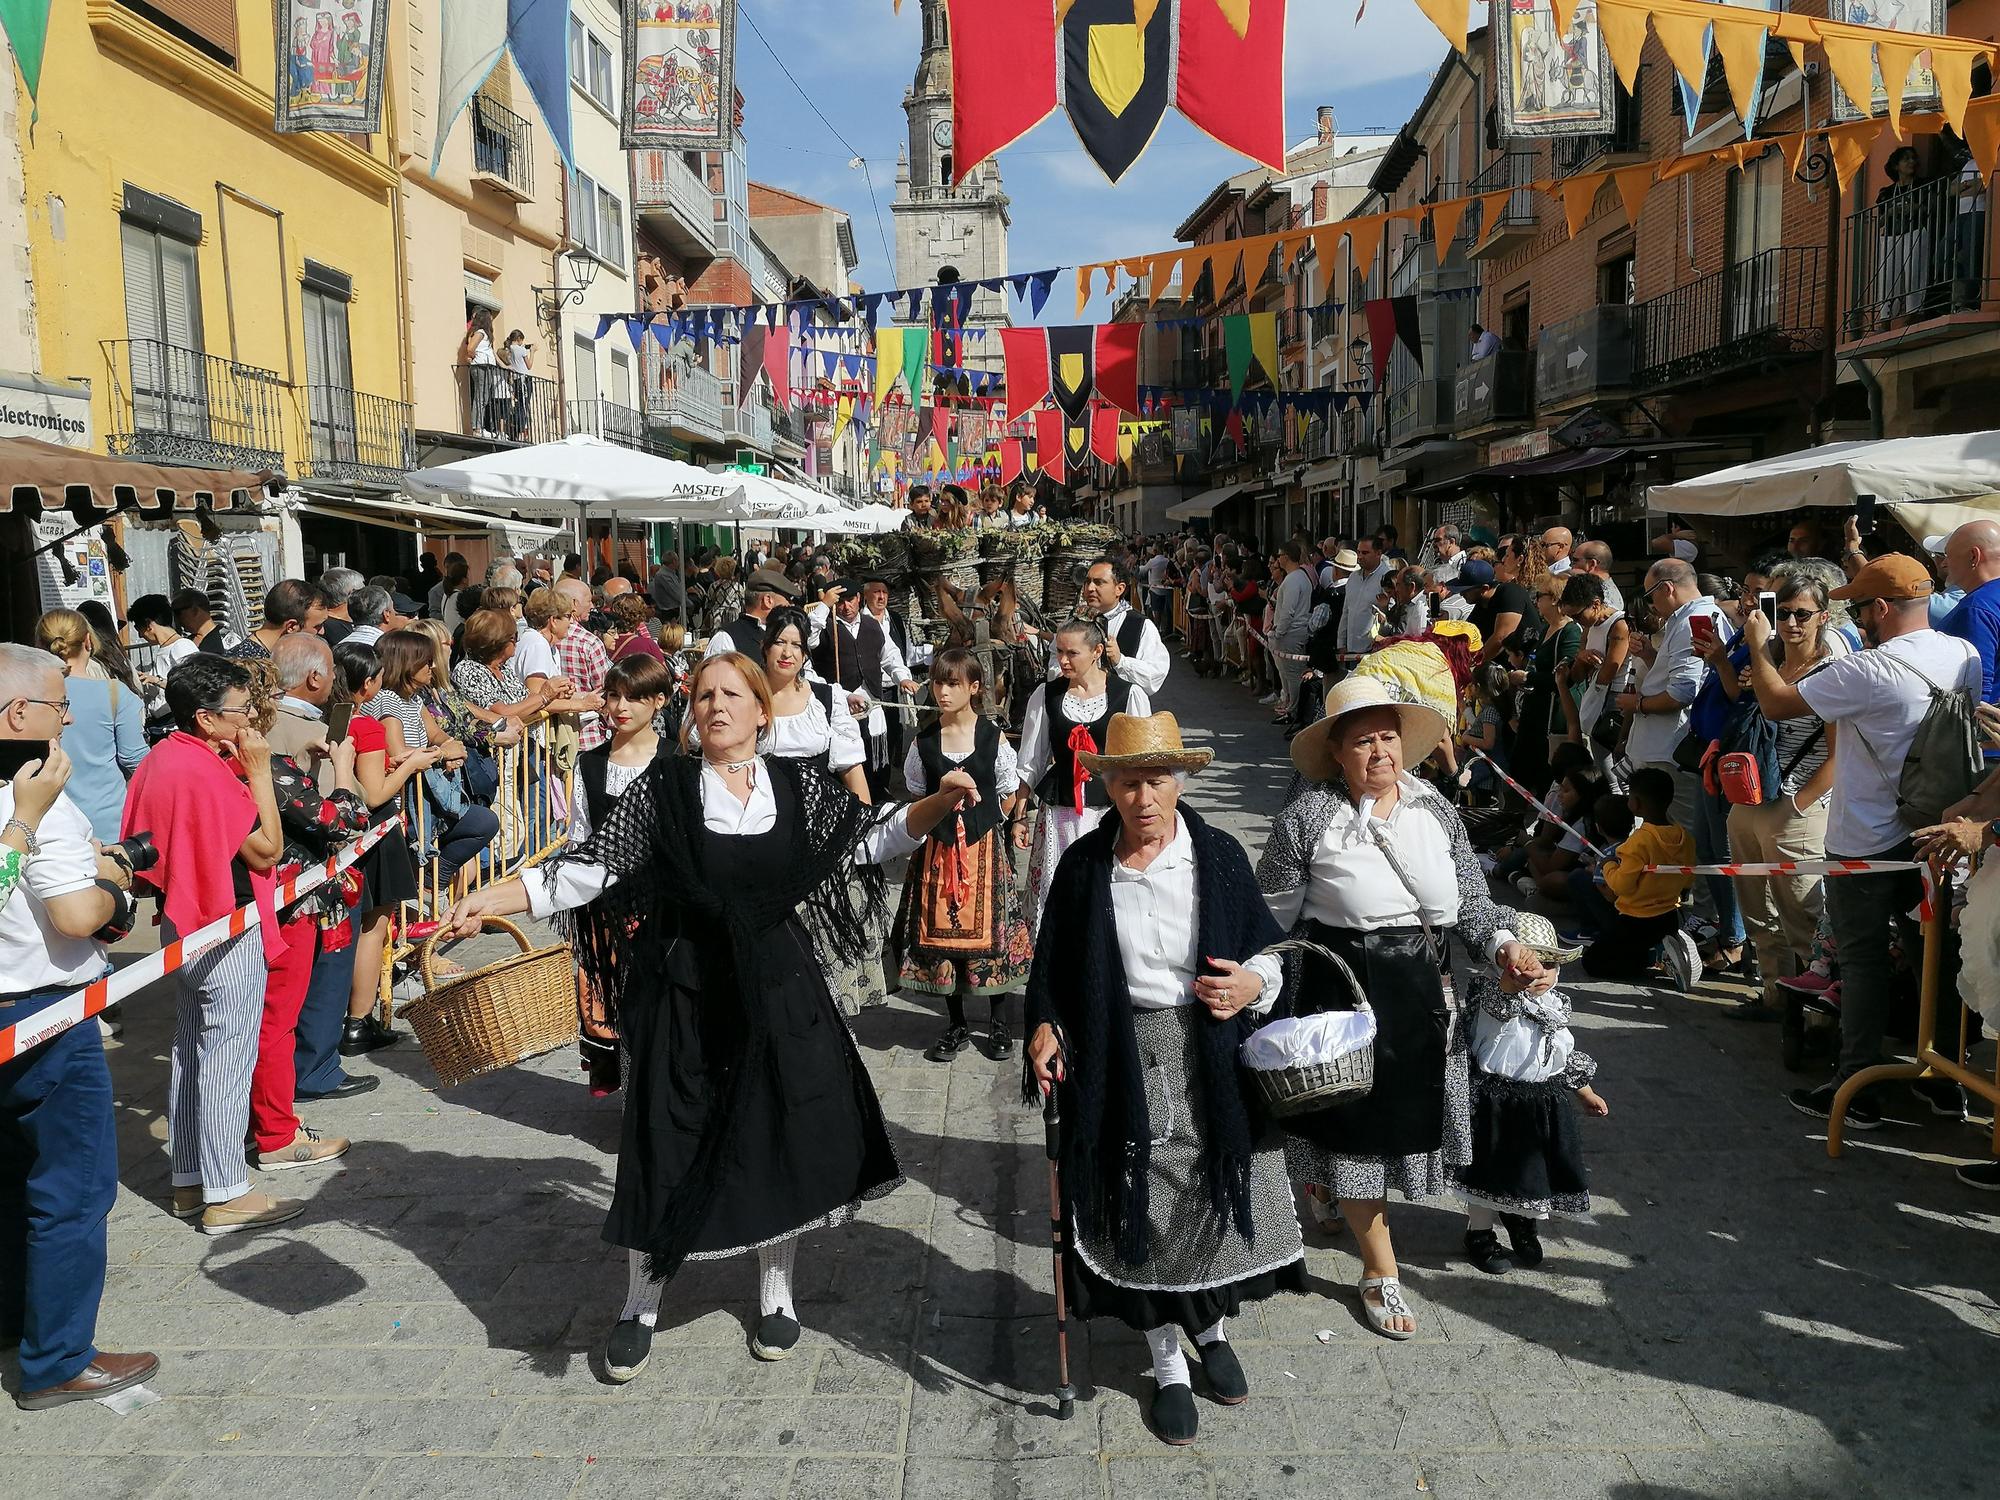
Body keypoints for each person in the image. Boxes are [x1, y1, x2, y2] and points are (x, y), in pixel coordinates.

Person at [440, 652, 980, 1378]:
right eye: (702, 696)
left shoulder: (795, 784)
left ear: (762, 710)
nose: (715, 706)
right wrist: (489, 898)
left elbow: (872, 837)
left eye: (731, 695)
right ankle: (641, 1300)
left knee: (774, 1133)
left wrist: (940, 802)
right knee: (665, 1138)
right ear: (689, 714)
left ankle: (776, 1292)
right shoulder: (664, 789)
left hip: (776, 986)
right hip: (683, 988)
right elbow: (586, 870)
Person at [1024, 712, 1300, 1446]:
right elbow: (1051, 967)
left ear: (1181, 780)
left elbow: (1273, 951)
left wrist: (1251, 984)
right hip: (1121, 1052)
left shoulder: (1217, 856)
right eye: (1127, 781)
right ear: (1106, 784)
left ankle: (1208, 1326)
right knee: (1141, 1200)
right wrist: (1048, 1022)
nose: (1143, 797)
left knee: (1203, 1198)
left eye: (1157, 779)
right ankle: (1167, 1361)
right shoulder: (1085, 867)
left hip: (1207, 1056)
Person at [1256, 676, 1548, 1339]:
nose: (1380, 752)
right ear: (1335, 752)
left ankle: (1330, 1190)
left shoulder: (1435, 808)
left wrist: (1504, 946)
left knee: (1396, 1123)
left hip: (1424, 992)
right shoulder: (1306, 819)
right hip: (1343, 988)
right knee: (1356, 1129)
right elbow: (1267, 917)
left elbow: (1472, 903)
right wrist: (1259, 985)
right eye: (1363, 741)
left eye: (1389, 736)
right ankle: (1379, 1272)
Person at [1742, 553, 1981, 1128]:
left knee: (1863, 962)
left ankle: (1856, 1087)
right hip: (1935, 830)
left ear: (1880, 608)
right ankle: (1945, 1079)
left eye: (1858, 606)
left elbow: (1775, 703)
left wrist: (1756, 640)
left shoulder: (1871, 669)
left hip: (1867, 837)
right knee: (1937, 958)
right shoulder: (1963, 654)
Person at [0, 650, 156, 1410]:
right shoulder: (37, 803)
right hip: (43, 1013)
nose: (71, 716)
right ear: (17, 716)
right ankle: (57, 1359)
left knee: (9, 1179)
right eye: (61, 703)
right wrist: (116, 879)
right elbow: (73, 916)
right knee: (72, 1188)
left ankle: (15, 1324)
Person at [121, 655, 302, 1235]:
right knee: (225, 1053)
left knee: (191, 1049)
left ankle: (191, 1180)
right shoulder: (205, 769)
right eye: (240, 710)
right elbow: (267, 849)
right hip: (224, 919)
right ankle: (226, 1190)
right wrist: (257, 771)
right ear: (204, 717)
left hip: (187, 919)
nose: (249, 719)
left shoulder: (161, 758)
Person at [236, 658, 360, 1176]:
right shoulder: (258, 764)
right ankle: (276, 1132)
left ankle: (252, 1125)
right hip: (286, 904)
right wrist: (344, 768)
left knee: (254, 1023)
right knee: (276, 1021)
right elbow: (342, 819)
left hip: (254, 902)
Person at [1714, 571, 1844, 1019]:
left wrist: (1800, 802)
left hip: (1794, 807)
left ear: (1823, 617)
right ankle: (1774, 997)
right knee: (1757, 910)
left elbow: (1838, 752)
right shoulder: (1767, 664)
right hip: (1749, 801)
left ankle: (1811, 1014)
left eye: (1803, 614)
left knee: (1802, 914)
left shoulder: (1832, 672)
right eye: (1784, 613)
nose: (1791, 623)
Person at [1456, 913, 1609, 1274]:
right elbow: (1500, 1007)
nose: (1540, 973)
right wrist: (1511, 982)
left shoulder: (1554, 1007)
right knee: (1485, 1173)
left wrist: (1584, 1092)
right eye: (1529, 962)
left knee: (1532, 1170)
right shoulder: (1495, 999)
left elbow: (1562, 1055)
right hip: (1497, 1100)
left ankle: (1521, 1218)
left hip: (1543, 1101)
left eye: (1549, 964)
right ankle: (1479, 1234)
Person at [898, 649, 1032, 1063]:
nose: (942, 691)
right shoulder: (924, 741)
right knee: (943, 936)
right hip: (938, 851)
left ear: (974, 687)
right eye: (938, 682)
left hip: (984, 850)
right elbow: (918, 796)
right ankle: (954, 1022)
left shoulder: (992, 738)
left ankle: (997, 1022)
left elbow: (1009, 790)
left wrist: (988, 824)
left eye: (952, 683)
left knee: (994, 936)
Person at [265, 635, 378, 1104]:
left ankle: (302, 1068)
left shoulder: (264, 721)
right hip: (316, 873)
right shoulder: (298, 728)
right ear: (314, 677)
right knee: (326, 975)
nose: (334, 680)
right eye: (331, 670)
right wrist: (345, 765)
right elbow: (345, 812)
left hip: (290, 872)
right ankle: (317, 1070)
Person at [570, 656, 675, 1095]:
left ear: (659, 701)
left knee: (666, 1004)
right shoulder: (590, 764)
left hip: (666, 904)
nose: (621, 706)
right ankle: (633, 1101)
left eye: (634, 697)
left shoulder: (677, 760)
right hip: (607, 905)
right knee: (615, 1003)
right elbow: (581, 836)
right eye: (613, 695)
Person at [330, 642, 435, 1059]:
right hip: (374, 833)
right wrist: (410, 765)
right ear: (368, 684)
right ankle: (358, 1020)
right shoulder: (366, 726)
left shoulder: (326, 722)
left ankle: (343, 1016)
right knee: (373, 929)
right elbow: (374, 795)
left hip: (335, 837)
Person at [1018, 619, 1153, 939]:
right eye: (1059, 652)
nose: (1062, 660)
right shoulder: (1046, 695)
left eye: (1071, 653)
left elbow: (1146, 762)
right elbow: (1030, 761)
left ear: (1096, 652)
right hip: (1061, 814)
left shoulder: (1128, 695)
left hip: (1111, 813)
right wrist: (1020, 815)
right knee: (1060, 892)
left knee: (1109, 890)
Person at [1620, 558, 1722, 840]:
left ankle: (1690, 885)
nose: (1651, 605)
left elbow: (1683, 692)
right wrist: (1650, 656)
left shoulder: (1691, 621)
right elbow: (1683, 679)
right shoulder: (1687, 618)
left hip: (1671, 750)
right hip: (1666, 748)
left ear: (1666, 589)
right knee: (1671, 836)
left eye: (1650, 596)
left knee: (1683, 836)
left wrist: (1637, 704)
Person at [1570, 766, 1700, 986]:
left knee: (1592, 963)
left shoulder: (1639, 842)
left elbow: (1622, 885)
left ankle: (1657, 956)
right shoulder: (1684, 837)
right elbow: (1687, 880)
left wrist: (1608, 866)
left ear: (1636, 803)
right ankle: (1663, 950)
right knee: (1626, 950)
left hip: (1636, 918)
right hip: (1668, 915)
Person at [32, 608, 144, 844]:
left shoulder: (25, 698)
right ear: (88, 641)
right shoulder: (116, 694)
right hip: (107, 822)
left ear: (40, 646)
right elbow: (135, 759)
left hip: (45, 821)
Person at [812, 580, 917, 803]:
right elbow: (808, 639)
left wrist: (903, 678)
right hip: (841, 707)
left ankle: (879, 796)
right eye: (839, 602)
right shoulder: (825, 626)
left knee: (876, 756)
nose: (845, 606)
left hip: (872, 703)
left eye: (850, 600)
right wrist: (824, 606)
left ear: (859, 598)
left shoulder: (872, 625)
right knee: (847, 759)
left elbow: (890, 656)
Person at [1047, 558, 1172, 695]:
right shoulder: (1073, 619)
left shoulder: (1141, 625)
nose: (1089, 588)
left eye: (1099, 583)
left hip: (1120, 709)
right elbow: (1055, 653)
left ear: (1119, 588)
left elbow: (1155, 674)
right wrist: (1059, 674)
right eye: (1087, 582)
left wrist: (1121, 662)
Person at [129, 592, 201, 740]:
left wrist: (156, 680)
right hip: (160, 726)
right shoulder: (163, 649)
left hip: (175, 726)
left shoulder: (182, 646)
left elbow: (194, 687)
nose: (140, 635)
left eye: (138, 628)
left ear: (149, 624)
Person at [1874, 145, 1930, 324]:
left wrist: (1914, 208)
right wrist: (1890, 212)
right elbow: (1880, 221)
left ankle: (1915, 311)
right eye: (1906, 159)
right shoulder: (1887, 192)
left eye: (1913, 158)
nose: (1911, 162)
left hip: (1915, 232)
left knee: (1914, 271)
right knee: (1887, 276)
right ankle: (1885, 317)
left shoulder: (1923, 185)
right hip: (1891, 236)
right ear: (1896, 165)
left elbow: (1931, 208)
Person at [1267, 541, 1316, 722]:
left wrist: (1278, 631)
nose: (1277, 560)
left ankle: (1294, 712)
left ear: (1286, 557)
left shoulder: (1294, 579)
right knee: (1287, 675)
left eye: (1279, 556)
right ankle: (1291, 709)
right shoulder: (1298, 577)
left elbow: (1288, 610)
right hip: (1291, 632)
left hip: (1291, 634)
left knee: (1292, 676)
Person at [227, 579, 327, 664]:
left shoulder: (270, 657)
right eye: (317, 626)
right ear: (291, 626)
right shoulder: (248, 666)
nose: (322, 631)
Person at [705, 568, 798, 658]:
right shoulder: (726, 639)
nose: (791, 604)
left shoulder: (789, 632)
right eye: (788, 599)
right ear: (768, 600)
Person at [1337, 536, 1393, 666]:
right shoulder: (1353, 577)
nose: (1360, 556)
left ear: (1378, 553)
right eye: (1358, 552)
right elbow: (1346, 611)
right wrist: (1341, 642)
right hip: (1350, 650)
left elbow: (1392, 617)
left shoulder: (1388, 578)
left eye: (1365, 553)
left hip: (1374, 652)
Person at [173, 588, 235, 656]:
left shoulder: (228, 640)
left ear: (195, 610)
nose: (177, 619)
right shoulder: (185, 643)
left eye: (177, 612)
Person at [1571, 539, 1625, 613]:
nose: (1571, 566)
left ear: (1592, 564)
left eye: (1575, 561)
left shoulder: (1601, 598)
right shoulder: (1601, 591)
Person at [317, 567, 365, 647]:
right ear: (352, 594)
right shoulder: (329, 628)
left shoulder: (356, 619)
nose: (366, 596)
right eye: (363, 591)